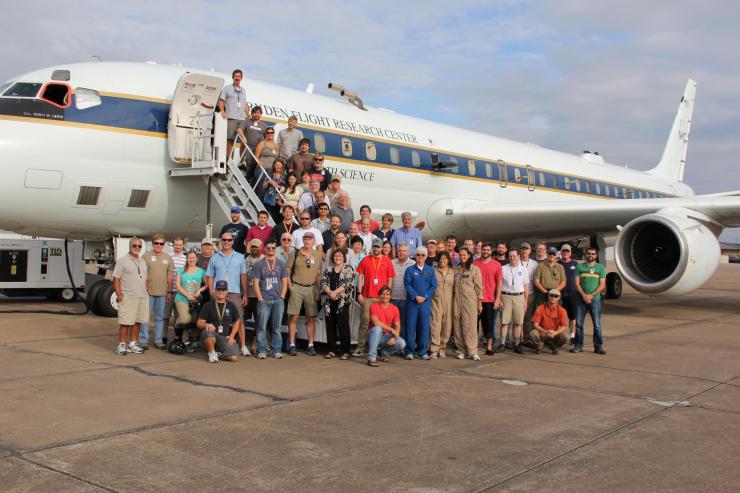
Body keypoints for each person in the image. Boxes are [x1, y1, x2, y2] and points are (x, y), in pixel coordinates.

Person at [205, 231, 250, 357]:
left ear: (233, 242)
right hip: (218, 292)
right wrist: (211, 292)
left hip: (234, 293)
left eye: (229, 240)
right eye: (224, 240)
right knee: (215, 319)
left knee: (239, 320)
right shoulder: (214, 257)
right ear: (221, 241)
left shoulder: (240, 257)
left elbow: (243, 277)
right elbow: (210, 276)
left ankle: (242, 346)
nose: (226, 242)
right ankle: (214, 348)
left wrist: (245, 294)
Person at [355, 237, 395, 356]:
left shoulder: (387, 261)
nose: (376, 248)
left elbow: (390, 279)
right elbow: (360, 278)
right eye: (374, 246)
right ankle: (360, 347)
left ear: (382, 248)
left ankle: (379, 347)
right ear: (372, 247)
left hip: (381, 298)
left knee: (381, 323)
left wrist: (387, 295)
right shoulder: (365, 260)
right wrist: (359, 293)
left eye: (378, 246)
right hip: (367, 297)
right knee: (365, 321)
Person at [286, 232, 323, 356]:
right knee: (294, 317)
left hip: (311, 288)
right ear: (303, 240)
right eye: (306, 239)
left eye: (310, 239)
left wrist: (319, 290)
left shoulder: (317, 255)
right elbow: (287, 270)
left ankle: (311, 345)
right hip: (296, 286)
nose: (308, 241)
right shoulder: (295, 253)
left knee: (310, 317)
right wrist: (290, 287)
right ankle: (292, 345)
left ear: (314, 241)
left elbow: (318, 274)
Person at [252, 239, 289, 359]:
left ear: (275, 248)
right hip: (264, 300)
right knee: (261, 327)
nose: (271, 250)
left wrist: (282, 297)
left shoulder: (280, 264)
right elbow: (256, 283)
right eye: (269, 248)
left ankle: (276, 350)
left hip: (278, 300)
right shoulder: (259, 264)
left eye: (273, 248)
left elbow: (284, 282)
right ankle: (261, 350)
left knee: (276, 327)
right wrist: (260, 298)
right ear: (265, 249)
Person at [113, 238, 148, 355]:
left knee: (138, 322)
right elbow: (116, 278)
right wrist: (119, 295)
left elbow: (144, 278)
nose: (137, 248)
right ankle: (122, 345)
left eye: (139, 246)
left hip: (142, 297)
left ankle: (133, 344)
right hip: (128, 297)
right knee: (126, 322)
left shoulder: (142, 261)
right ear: (130, 246)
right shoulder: (122, 261)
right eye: (135, 245)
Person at [139, 233, 173, 350]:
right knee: (145, 317)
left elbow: (170, 275)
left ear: (164, 245)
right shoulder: (145, 257)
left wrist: (169, 291)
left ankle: (158, 340)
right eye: (156, 243)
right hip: (148, 293)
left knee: (160, 318)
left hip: (163, 294)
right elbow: (141, 275)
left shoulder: (168, 258)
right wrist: (143, 289)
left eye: (161, 244)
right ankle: (143, 340)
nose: (159, 245)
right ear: (152, 244)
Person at [403, 246, 437, 360]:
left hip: (425, 303)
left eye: (423, 255)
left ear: (426, 256)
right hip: (412, 303)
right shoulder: (410, 270)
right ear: (415, 256)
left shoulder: (430, 270)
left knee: (424, 327)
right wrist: (415, 296)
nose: (420, 257)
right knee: (410, 327)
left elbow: (433, 286)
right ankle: (410, 351)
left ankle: (422, 351)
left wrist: (425, 297)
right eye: (418, 255)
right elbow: (407, 285)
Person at [571, 247, 607, 355]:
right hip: (580, 299)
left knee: (597, 324)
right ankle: (578, 345)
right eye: (588, 253)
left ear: (596, 255)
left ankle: (598, 346)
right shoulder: (580, 266)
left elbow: (602, 285)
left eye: (593, 253)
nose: (590, 255)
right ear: (585, 254)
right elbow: (576, 283)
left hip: (595, 299)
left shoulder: (600, 267)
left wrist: (591, 295)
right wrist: (584, 295)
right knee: (579, 324)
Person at [320, 249, 355, 359]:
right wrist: (330, 293)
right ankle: (331, 350)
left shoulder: (348, 269)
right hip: (329, 302)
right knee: (330, 326)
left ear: (344, 257)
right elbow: (323, 283)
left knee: (343, 325)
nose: (338, 258)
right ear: (332, 258)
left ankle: (346, 351)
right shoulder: (328, 269)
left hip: (342, 302)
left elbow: (348, 284)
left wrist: (335, 292)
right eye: (336, 256)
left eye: (340, 256)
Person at [196, 280, 241, 363]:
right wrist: (206, 325)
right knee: (208, 331)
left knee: (234, 358)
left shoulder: (231, 305)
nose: (221, 292)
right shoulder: (208, 305)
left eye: (223, 290)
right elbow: (199, 323)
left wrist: (231, 336)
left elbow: (237, 321)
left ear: (227, 291)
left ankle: (217, 353)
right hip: (211, 334)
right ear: (215, 291)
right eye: (219, 289)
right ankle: (212, 353)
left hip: (224, 337)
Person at [453, 247, 483, 360]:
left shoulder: (474, 269)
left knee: (470, 325)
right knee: (458, 325)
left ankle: (472, 351)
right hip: (457, 301)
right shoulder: (456, 269)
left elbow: (479, 287)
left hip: (470, 301)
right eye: (460, 255)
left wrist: (480, 303)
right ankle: (461, 350)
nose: (462, 257)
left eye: (464, 255)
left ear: (469, 255)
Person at [366, 285, 407, 367]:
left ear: (390, 296)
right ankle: (372, 358)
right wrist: (391, 330)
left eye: (387, 294)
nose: (385, 296)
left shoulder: (394, 308)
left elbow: (397, 326)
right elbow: (376, 322)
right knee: (378, 328)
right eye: (383, 294)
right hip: (372, 335)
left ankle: (384, 353)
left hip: (385, 337)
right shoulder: (373, 306)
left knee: (402, 343)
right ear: (379, 295)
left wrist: (394, 338)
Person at [474, 243, 503, 355]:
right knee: (474, 325)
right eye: (484, 249)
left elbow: (499, 282)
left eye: (488, 250)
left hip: (489, 300)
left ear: (491, 251)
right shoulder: (475, 263)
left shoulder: (496, 265)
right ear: (481, 250)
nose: (485, 251)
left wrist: (497, 299)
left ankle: (489, 347)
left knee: (489, 325)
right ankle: (474, 346)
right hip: (476, 299)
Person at [499, 249, 529, 354]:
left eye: (514, 256)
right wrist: (499, 299)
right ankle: (502, 344)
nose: (512, 258)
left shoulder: (523, 269)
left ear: (518, 256)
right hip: (506, 296)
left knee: (518, 322)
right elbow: (499, 285)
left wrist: (526, 300)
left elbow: (526, 286)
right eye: (510, 256)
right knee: (505, 322)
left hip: (519, 297)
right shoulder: (503, 268)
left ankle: (517, 344)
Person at [174, 250, 207, 344]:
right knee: (185, 319)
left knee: (194, 321)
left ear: (196, 259)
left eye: (193, 258)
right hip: (182, 299)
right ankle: (177, 330)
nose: (191, 260)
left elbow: (207, 285)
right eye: (189, 258)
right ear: (187, 259)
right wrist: (187, 295)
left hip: (195, 301)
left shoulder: (201, 271)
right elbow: (178, 286)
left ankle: (187, 339)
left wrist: (199, 290)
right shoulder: (181, 271)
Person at [217, 69, 249, 162]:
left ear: (241, 78)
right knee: (230, 140)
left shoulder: (243, 90)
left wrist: (248, 114)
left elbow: (244, 104)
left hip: (242, 119)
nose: (237, 78)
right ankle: (229, 160)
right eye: (236, 76)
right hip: (231, 117)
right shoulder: (227, 88)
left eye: (239, 76)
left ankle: (241, 161)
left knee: (244, 140)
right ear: (233, 77)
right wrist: (222, 111)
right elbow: (221, 100)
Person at [430, 251, 454, 358]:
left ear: (448, 260)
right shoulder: (433, 272)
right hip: (436, 301)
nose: (442, 261)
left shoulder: (453, 272)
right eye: (440, 259)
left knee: (447, 325)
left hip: (449, 302)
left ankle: (442, 347)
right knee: (435, 324)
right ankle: (434, 348)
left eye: (444, 258)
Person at [531, 289, 569, 354]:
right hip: (543, 333)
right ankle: (540, 346)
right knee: (533, 333)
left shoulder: (562, 310)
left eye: (556, 296)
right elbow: (535, 324)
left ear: (559, 298)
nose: (553, 298)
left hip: (555, 333)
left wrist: (555, 333)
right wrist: (546, 332)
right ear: (548, 296)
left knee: (566, 336)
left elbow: (564, 326)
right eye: (551, 296)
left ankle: (555, 347)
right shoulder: (540, 308)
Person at [164, 236, 187, 339]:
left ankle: (178, 337)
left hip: (180, 293)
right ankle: (163, 336)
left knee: (179, 317)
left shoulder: (185, 259)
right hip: (169, 291)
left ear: (183, 246)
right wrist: (168, 291)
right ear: (173, 245)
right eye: (176, 245)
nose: (178, 247)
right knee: (166, 316)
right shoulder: (169, 257)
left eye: (180, 245)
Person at [244, 238, 264, 351]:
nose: (254, 249)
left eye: (256, 247)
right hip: (247, 294)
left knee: (259, 320)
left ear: (261, 247)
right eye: (252, 246)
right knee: (241, 318)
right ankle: (239, 340)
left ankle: (256, 341)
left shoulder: (264, 260)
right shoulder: (246, 259)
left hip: (259, 295)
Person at [390, 243, 414, 337]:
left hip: (406, 299)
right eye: (400, 250)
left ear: (408, 252)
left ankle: (402, 346)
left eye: (404, 251)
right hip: (392, 298)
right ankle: (392, 345)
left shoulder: (413, 264)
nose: (401, 253)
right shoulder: (392, 263)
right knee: (392, 323)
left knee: (404, 323)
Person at [240, 106, 268, 183]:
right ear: (251, 114)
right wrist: (243, 137)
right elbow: (239, 129)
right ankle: (248, 179)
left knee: (256, 165)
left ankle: (251, 180)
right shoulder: (247, 122)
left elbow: (267, 137)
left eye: (258, 113)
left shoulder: (264, 125)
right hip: (249, 147)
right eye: (254, 113)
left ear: (261, 114)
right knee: (249, 162)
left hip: (259, 149)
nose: (256, 114)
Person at [558, 244, 579, 343]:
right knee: (560, 316)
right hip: (561, 295)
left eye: (567, 251)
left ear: (570, 252)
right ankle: (560, 335)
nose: (565, 253)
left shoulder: (576, 264)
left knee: (572, 316)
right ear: (561, 252)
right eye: (564, 251)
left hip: (573, 294)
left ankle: (572, 336)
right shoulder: (558, 264)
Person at [519, 242, 539, 337]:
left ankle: (526, 338)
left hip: (530, 293)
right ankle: (517, 339)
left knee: (527, 318)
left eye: (526, 249)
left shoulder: (534, 263)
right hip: (518, 293)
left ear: (530, 251)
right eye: (522, 249)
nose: (524, 251)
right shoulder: (516, 261)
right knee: (517, 318)